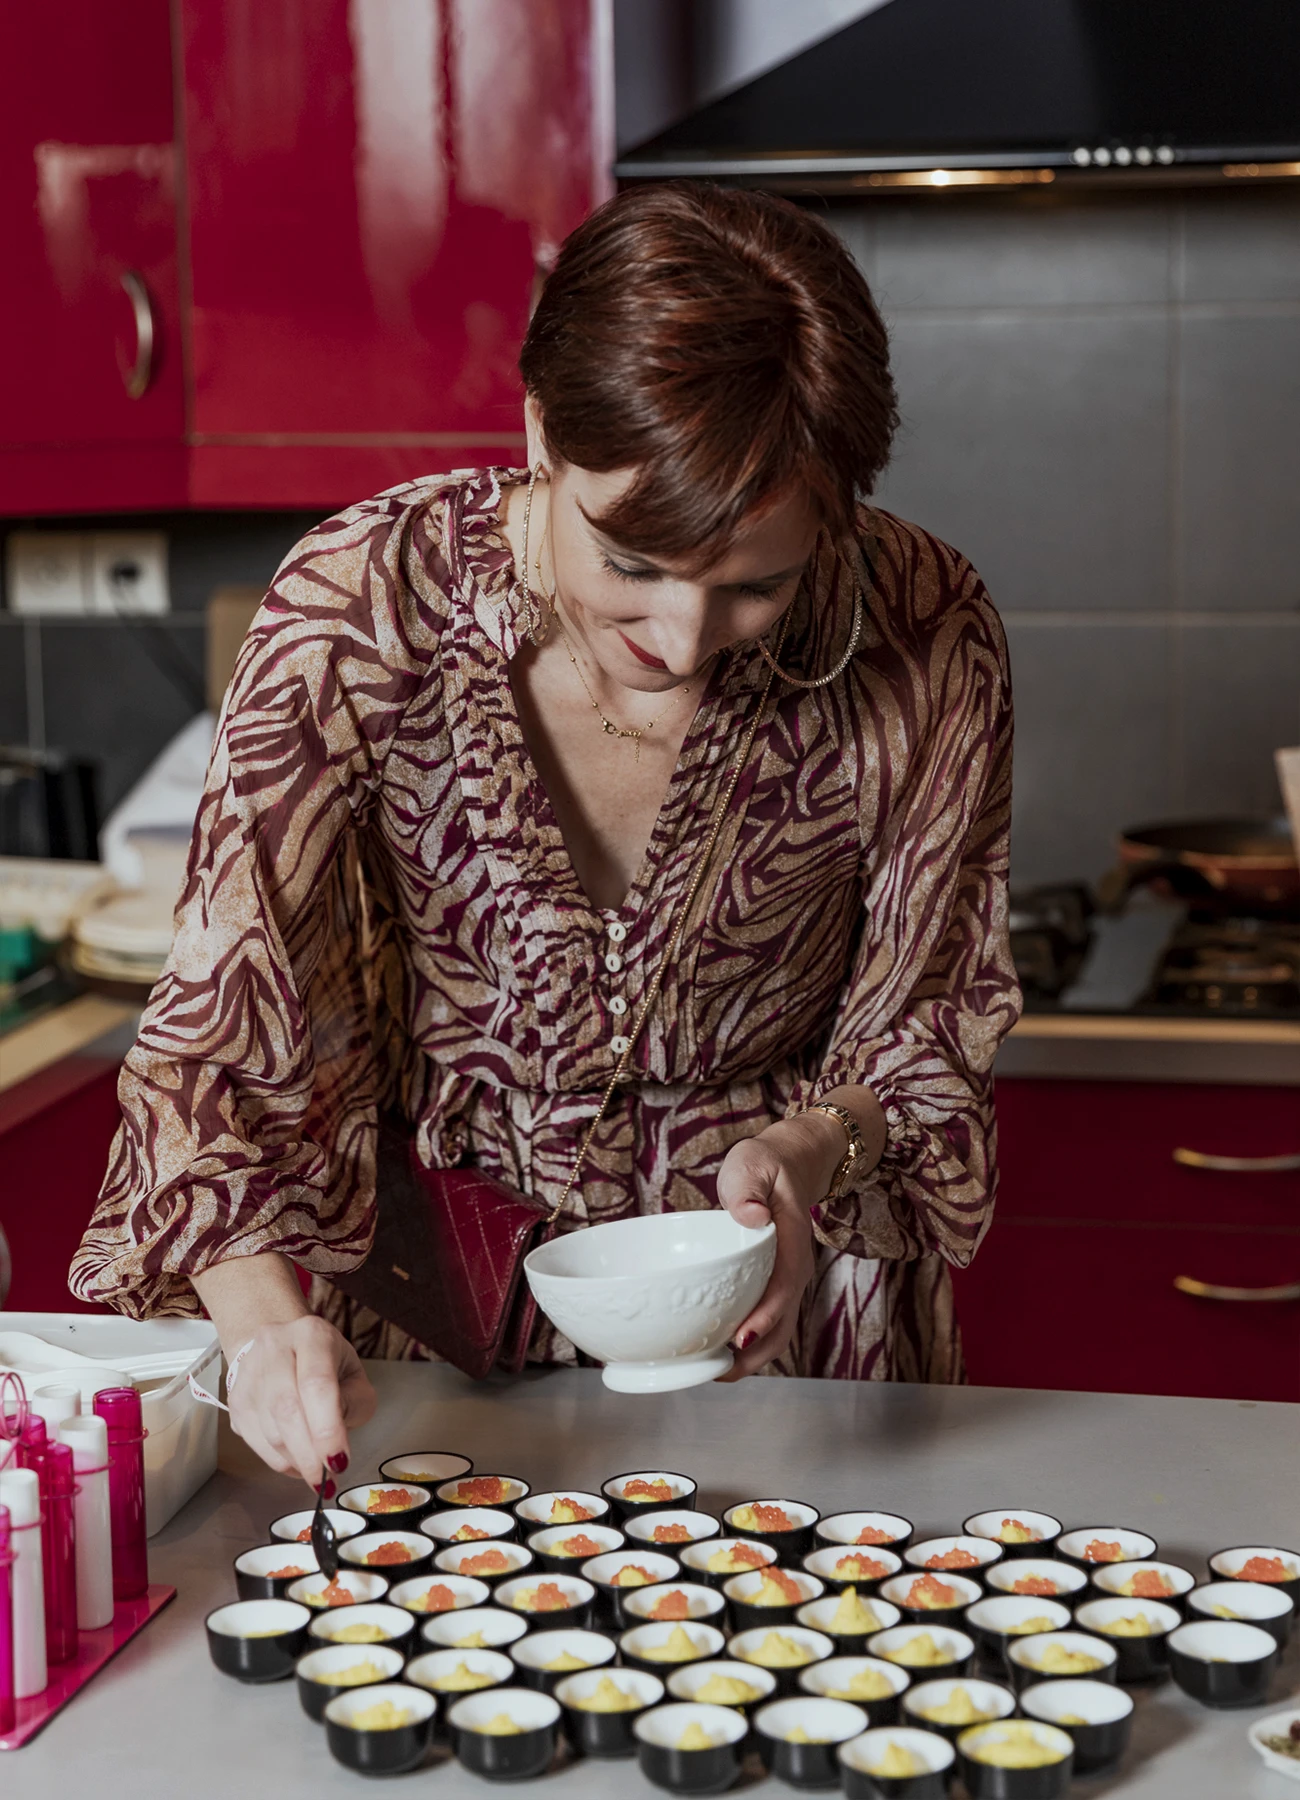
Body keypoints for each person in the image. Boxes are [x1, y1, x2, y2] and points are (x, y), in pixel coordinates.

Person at [72, 184, 1020, 1488]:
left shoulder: (925, 623)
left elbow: (919, 1037)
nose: (683, 643)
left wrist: (809, 1158)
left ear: (842, 515)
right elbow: (217, 1037)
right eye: (630, 561)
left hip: (794, 1319)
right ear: (538, 436)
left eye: (758, 582)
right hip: (431, 1325)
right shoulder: (365, 605)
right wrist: (256, 1320)